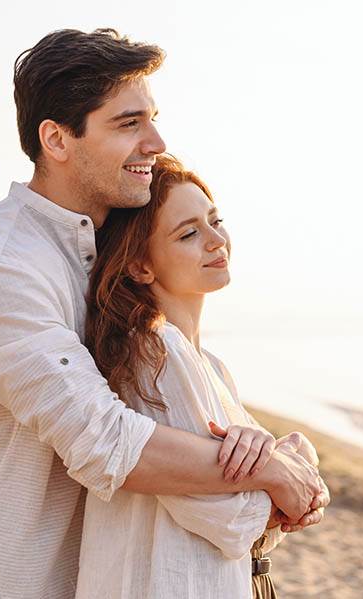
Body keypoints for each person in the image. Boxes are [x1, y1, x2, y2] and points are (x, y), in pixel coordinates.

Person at [0, 28, 328, 598]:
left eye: (153, 118)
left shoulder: (113, 250)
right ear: (57, 140)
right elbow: (104, 439)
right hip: (7, 580)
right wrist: (266, 469)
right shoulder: (2, 261)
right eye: (128, 123)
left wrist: (270, 452)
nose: (157, 141)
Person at [76, 154, 319, 599]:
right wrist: (286, 475)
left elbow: (251, 513)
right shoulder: (154, 351)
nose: (215, 240)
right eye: (189, 233)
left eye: (214, 220)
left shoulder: (210, 365)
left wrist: (286, 461)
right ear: (140, 266)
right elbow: (228, 520)